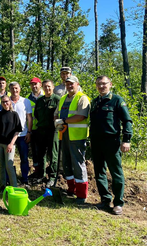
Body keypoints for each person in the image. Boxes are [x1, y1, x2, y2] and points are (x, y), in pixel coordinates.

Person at [90, 76, 132, 215]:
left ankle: (118, 203)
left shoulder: (117, 100)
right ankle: (105, 199)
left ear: (110, 84)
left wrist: (126, 139)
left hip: (111, 141)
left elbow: (127, 121)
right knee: (99, 171)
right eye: (99, 84)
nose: (101, 86)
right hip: (96, 142)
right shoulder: (95, 102)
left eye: (104, 84)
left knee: (116, 172)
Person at [54, 75, 90, 204]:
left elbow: (81, 116)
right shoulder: (63, 98)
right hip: (64, 135)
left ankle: (81, 194)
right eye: (67, 84)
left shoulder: (82, 98)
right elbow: (57, 114)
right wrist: (57, 122)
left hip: (77, 137)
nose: (69, 86)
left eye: (71, 84)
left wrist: (63, 121)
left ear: (77, 84)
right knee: (66, 162)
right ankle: (71, 189)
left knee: (78, 164)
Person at [34, 80, 60, 188]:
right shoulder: (40, 101)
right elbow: (36, 114)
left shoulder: (57, 99)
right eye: (45, 87)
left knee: (53, 154)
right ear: (42, 88)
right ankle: (41, 175)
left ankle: (53, 177)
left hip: (53, 131)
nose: (47, 89)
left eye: (49, 86)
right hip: (41, 130)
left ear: (53, 87)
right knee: (41, 154)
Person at [0, 95, 22, 188]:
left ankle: (14, 187)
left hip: (9, 145)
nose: (5, 104)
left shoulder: (14, 114)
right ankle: (3, 185)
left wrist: (11, 144)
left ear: (10, 102)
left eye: (7, 101)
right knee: (0, 166)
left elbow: (17, 131)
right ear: (1, 103)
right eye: (3, 102)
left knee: (9, 165)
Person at [9, 82, 33, 184]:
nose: (15, 91)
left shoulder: (25, 101)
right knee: (10, 159)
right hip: (9, 136)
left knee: (24, 158)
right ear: (9, 90)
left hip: (23, 135)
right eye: (12, 89)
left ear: (20, 89)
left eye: (16, 88)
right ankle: (10, 179)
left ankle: (24, 179)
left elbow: (29, 118)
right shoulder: (6, 101)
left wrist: (29, 132)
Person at [27, 77, 44, 179]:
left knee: (44, 152)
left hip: (44, 128)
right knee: (35, 152)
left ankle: (45, 172)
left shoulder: (45, 96)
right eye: (32, 84)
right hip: (33, 128)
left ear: (40, 84)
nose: (34, 86)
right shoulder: (27, 99)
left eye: (36, 84)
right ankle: (37, 171)